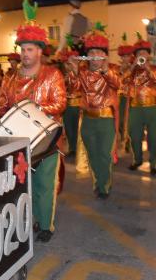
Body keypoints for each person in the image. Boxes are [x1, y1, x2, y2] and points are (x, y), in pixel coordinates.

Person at [0, 0, 66, 242]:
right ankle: (33, 220)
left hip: (47, 141)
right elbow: (2, 104)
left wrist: (31, 108)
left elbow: (60, 103)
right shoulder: (10, 78)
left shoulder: (52, 74)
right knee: (24, 186)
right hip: (19, 142)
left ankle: (46, 225)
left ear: (39, 51)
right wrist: (9, 111)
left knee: (45, 186)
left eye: (30, 50)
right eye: (22, 49)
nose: (25, 54)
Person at [66, 23, 120, 198]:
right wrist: (73, 70)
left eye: (99, 52)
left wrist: (105, 70)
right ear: (86, 55)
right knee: (93, 154)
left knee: (105, 155)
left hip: (105, 119)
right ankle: (98, 181)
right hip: (88, 120)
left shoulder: (112, 69)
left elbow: (116, 84)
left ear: (105, 55)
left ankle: (104, 185)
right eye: (91, 52)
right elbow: (73, 88)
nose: (95, 56)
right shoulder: (82, 73)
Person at [125, 38, 156, 175]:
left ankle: (154, 164)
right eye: (139, 53)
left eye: (144, 53)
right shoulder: (131, 71)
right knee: (135, 137)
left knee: (154, 138)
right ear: (135, 56)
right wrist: (132, 67)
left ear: (149, 55)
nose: (142, 55)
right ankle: (137, 160)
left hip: (152, 107)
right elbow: (121, 82)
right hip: (135, 108)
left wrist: (148, 68)